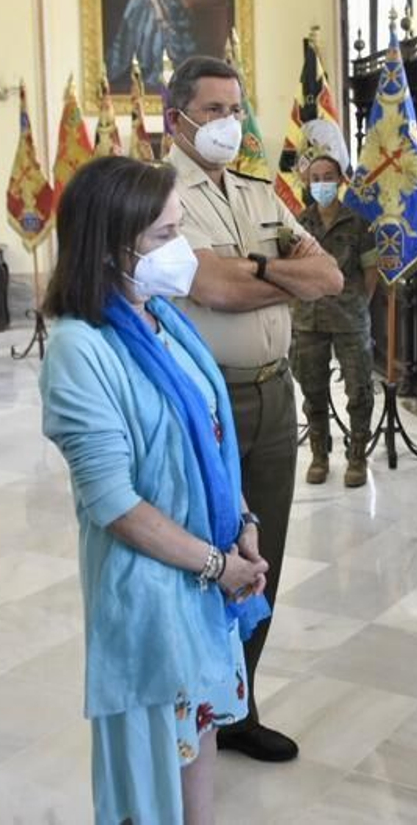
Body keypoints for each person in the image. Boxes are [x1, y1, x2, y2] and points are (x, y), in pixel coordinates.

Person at [40, 155, 269, 824]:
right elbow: (114, 504)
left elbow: (213, 438)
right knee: (150, 782)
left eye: (180, 228)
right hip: (151, 597)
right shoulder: (81, 350)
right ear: (110, 246)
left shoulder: (163, 320)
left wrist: (243, 521)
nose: (183, 250)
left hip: (202, 587)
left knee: (199, 740)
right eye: (164, 236)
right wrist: (217, 565)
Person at [166, 54, 343, 763]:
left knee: (261, 554)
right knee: (210, 553)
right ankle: (195, 712)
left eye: (235, 109)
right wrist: (273, 276)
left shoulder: (258, 190)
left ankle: (239, 704)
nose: (229, 124)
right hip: (206, 397)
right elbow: (212, 289)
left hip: (276, 390)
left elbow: (326, 274)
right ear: (176, 118)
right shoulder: (161, 195)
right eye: (213, 111)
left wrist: (255, 271)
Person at [290, 152, 379, 488]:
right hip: (308, 319)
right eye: (316, 178)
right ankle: (319, 455)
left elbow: (370, 272)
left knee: (359, 390)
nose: (323, 183)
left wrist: (356, 304)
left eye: (329, 177)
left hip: (350, 319)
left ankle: (357, 456)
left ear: (341, 181)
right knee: (313, 391)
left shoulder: (358, 224)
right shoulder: (297, 224)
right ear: (307, 182)